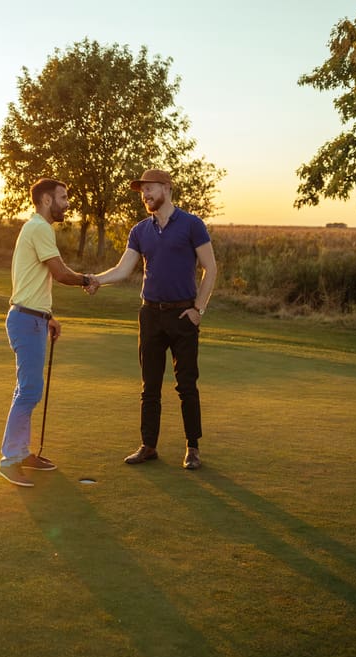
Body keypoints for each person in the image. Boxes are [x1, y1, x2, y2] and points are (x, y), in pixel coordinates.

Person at [87, 169, 217, 470]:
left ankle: (193, 448)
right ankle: (148, 446)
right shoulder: (140, 230)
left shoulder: (191, 224)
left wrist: (199, 309)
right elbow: (122, 269)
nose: (144, 195)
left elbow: (210, 268)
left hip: (183, 314)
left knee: (186, 385)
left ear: (167, 188)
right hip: (150, 315)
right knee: (150, 386)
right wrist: (95, 279)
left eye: (149, 189)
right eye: (142, 190)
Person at [0, 178, 95, 487]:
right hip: (26, 321)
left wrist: (49, 316)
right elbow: (59, 272)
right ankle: (9, 459)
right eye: (63, 197)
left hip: (34, 318)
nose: (68, 203)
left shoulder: (38, 228)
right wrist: (86, 280)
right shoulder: (40, 228)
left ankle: (22, 453)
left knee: (27, 389)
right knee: (28, 391)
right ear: (46, 200)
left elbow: (36, 279)